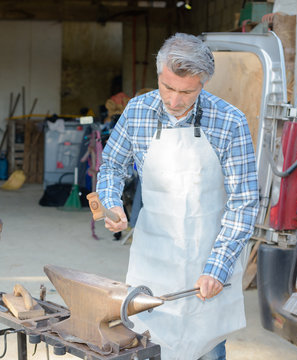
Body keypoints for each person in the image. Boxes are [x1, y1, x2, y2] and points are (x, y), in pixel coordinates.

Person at [96, 33, 259, 360]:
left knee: (206, 350)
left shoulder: (229, 122)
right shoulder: (138, 111)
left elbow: (244, 204)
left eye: (186, 92)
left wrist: (218, 268)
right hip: (153, 259)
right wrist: (110, 202)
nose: (173, 101)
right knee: (146, 346)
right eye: (167, 87)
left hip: (207, 264)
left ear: (204, 82)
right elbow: (112, 165)